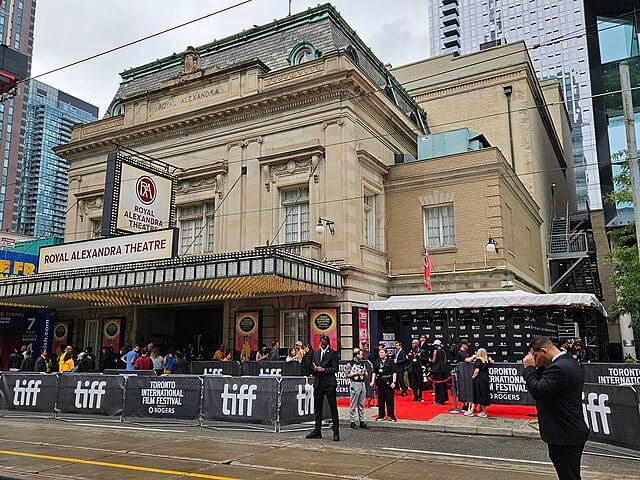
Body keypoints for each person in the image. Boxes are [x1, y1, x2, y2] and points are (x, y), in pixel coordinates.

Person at [523, 336, 589, 480]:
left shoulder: (559, 368)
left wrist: (529, 369)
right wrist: (538, 367)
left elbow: (539, 391)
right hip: (565, 433)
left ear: (544, 351)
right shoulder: (565, 362)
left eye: (535, 356)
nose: (535, 360)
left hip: (564, 434)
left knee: (569, 476)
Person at [305, 335, 340, 441]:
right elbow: (311, 367)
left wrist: (323, 369)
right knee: (317, 408)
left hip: (329, 383)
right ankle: (317, 430)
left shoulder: (333, 353)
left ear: (328, 343)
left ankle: (336, 431)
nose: (323, 342)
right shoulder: (315, 353)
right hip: (318, 383)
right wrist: (314, 368)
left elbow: (335, 368)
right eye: (322, 341)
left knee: (332, 407)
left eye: (325, 341)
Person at [345, 347, 370, 430]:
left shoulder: (362, 363)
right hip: (354, 383)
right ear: (357, 355)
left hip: (362, 383)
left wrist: (364, 372)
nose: (362, 356)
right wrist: (356, 373)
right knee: (353, 403)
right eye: (361, 354)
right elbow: (347, 375)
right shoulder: (350, 364)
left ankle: (362, 421)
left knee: (361, 403)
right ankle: (352, 421)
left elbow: (366, 374)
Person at [370, 347, 397, 421]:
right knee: (381, 399)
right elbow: (374, 372)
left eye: (382, 352)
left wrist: (394, 382)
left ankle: (391, 415)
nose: (380, 354)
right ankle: (381, 415)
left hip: (388, 381)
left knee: (390, 399)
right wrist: (372, 381)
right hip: (380, 381)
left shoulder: (390, 361)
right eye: (379, 352)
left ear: (386, 353)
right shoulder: (377, 361)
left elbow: (394, 372)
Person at [465, 347, 491, 417]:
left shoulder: (478, 360)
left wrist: (473, 377)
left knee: (477, 394)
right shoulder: (487, 360)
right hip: (485, 379)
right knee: (483, 395)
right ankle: (483, 412)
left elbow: (476, 371)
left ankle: (473, 411)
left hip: (479, 379)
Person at [430, 339, 448, 404]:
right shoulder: (444, 351)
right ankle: (443, 399)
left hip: (437, 370)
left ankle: (438, 400)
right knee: (443, 385)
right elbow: (445, 361)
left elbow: (433, 361)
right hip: (443, 369)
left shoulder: (435, 351)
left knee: (438, 385)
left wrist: (430, 360)